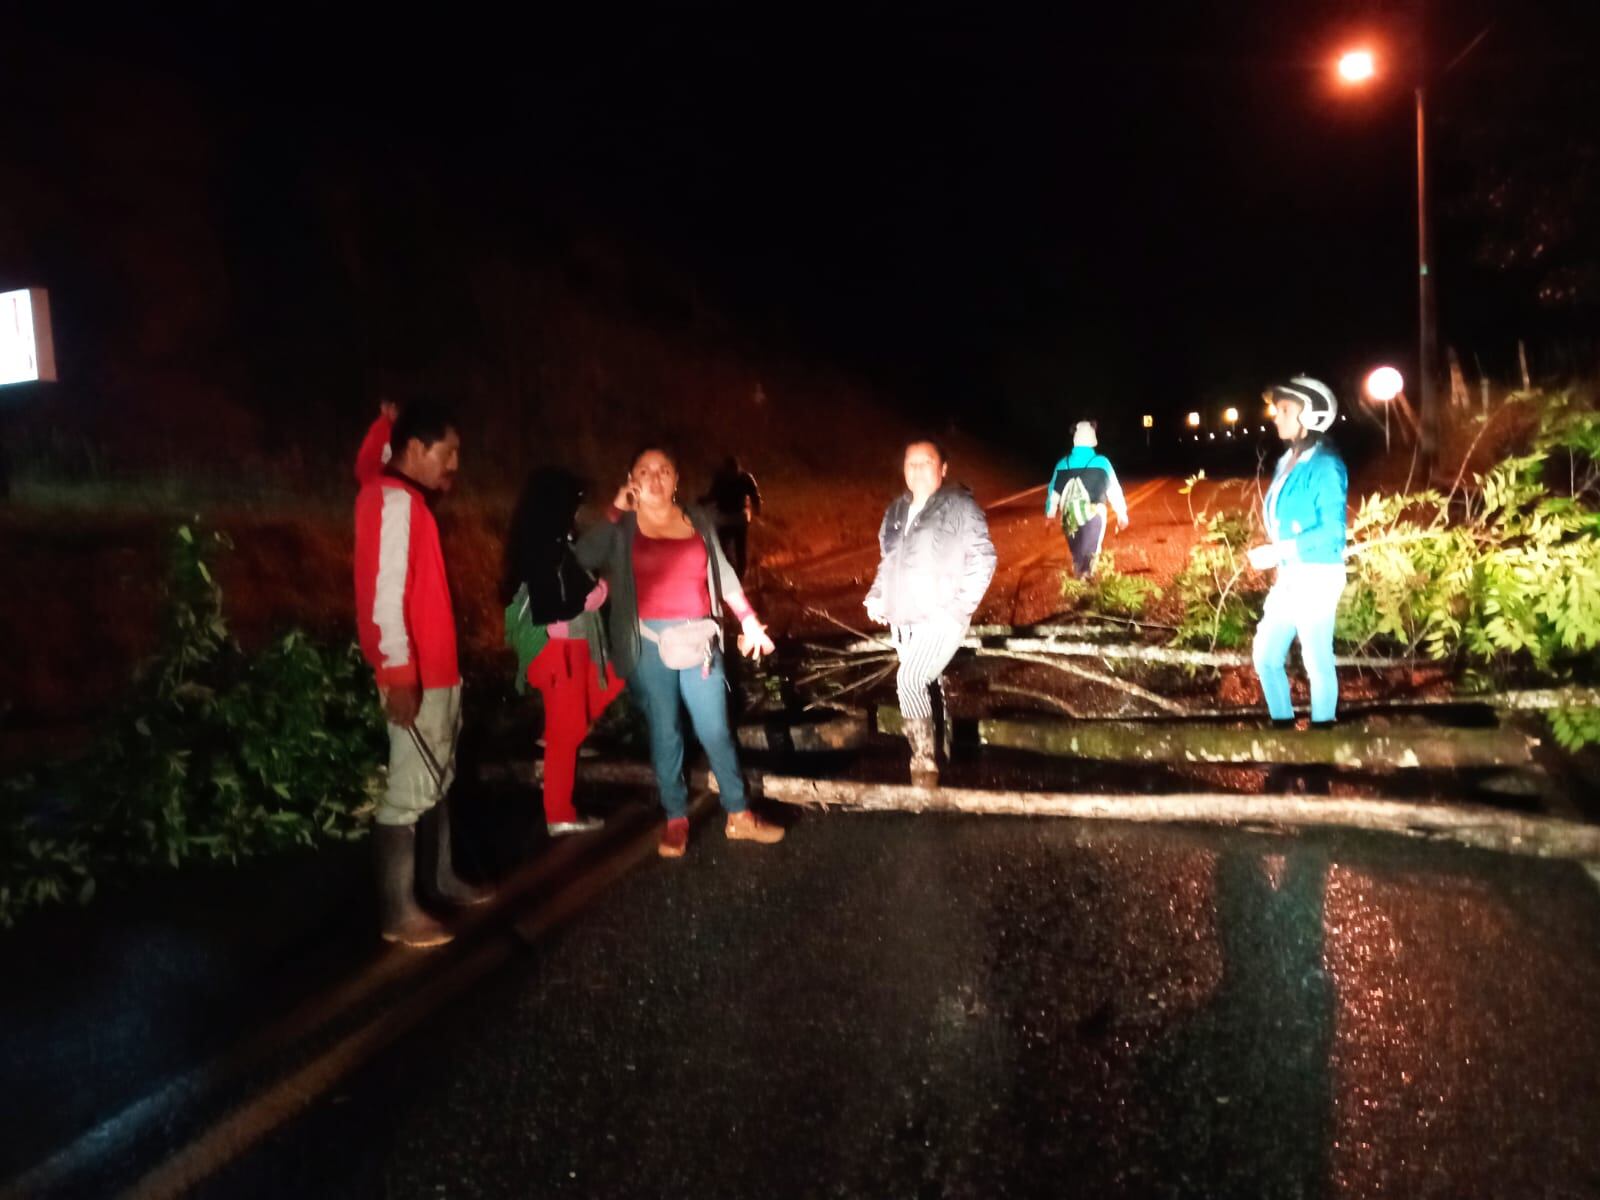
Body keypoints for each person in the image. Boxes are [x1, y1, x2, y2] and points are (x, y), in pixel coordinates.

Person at [575, 444, 785, 858]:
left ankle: (738, 814)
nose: (655, 478)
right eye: (644, 470)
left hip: (699, 640)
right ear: (632, 478)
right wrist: (616, 509)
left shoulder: (698, 518)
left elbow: (722, 574)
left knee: (715, 730)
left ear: (676, 479)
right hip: (647, 644)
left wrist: (748, 620)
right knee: (665, 729)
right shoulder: (623, 526)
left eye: (664, 470)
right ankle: (675, 817)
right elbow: (584, 557)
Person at [353, 401, 490, 948]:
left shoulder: (401, 497)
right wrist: (398, 672)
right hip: (418, 673)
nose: (455, 462)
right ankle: (398, 911)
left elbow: (370, 464)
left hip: (439, 670)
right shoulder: (392, 503)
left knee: (438, 777)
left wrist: (383, 424)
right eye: (447, 451)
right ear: (414, 450)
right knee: (410, 790)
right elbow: (383, 597)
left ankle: (440, 879)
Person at [864, 438, 997, 787]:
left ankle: (923, 763)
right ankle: (943, 749)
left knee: (909, 680)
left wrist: (958, 609)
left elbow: (984, 559)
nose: (918, 469)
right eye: (911, 463)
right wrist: (878, 596)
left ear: (943, 468)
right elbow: (888, 561)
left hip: (942, 617)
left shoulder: (960, 506)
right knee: (926, 682)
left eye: (927, 462)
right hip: (903, 618)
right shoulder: (895, 510)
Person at [503, 467, 626, 837]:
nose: (576, 514)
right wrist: (592, 598)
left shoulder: (551, 539)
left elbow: (585, 554)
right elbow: (549, 606)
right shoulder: (543, 546)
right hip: (557, 650)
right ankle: (559, 812)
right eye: (573, 506)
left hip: (570, 647)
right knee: (565, 735)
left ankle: (565, 727)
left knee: (619, 671)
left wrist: (615, 512)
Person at [1246, 377, 1349, 730]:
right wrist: (1277, 555)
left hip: (1319, 575)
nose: (1276, 417)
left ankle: (1322, 742)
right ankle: (1283, 732)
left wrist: (1279, 550)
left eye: (1285, 410)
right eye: (1277, 410)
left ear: (1311, 416)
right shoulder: (1287, 460)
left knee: (1317, 661)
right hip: (1291, 576)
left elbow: (1333, 531)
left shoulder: (1326, 466)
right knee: (1266, 655)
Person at [1045, 420, 1129, 578]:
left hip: (1068, 517)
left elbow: (1053, 493)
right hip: (1094, 516)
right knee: (1090, 554)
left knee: (1078, 555)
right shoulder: (1102, 463)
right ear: (1093, 439)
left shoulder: (1063, 464)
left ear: (1075, 439)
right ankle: (1084, 589)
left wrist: (1050, 515)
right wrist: (1122, 514)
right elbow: (1114, 490)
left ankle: (1079, 584)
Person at [700, 455, 763, 576]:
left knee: (732, 548)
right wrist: (757, 510)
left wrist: (703, 501)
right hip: (734, 519)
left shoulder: (726, 478)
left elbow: (712, 495)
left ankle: (734, 573)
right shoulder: (743, 478)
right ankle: (736, 573)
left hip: (732, 518)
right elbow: (755, 496)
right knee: (734, 549)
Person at [354, 398, 399, 486]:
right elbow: (387, 455)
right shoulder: (384, 427)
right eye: (393, 409)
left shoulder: (380, 425)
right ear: (385, 409)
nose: (396, 414)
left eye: (396, 410)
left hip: (365, 470)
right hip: (371, 472)